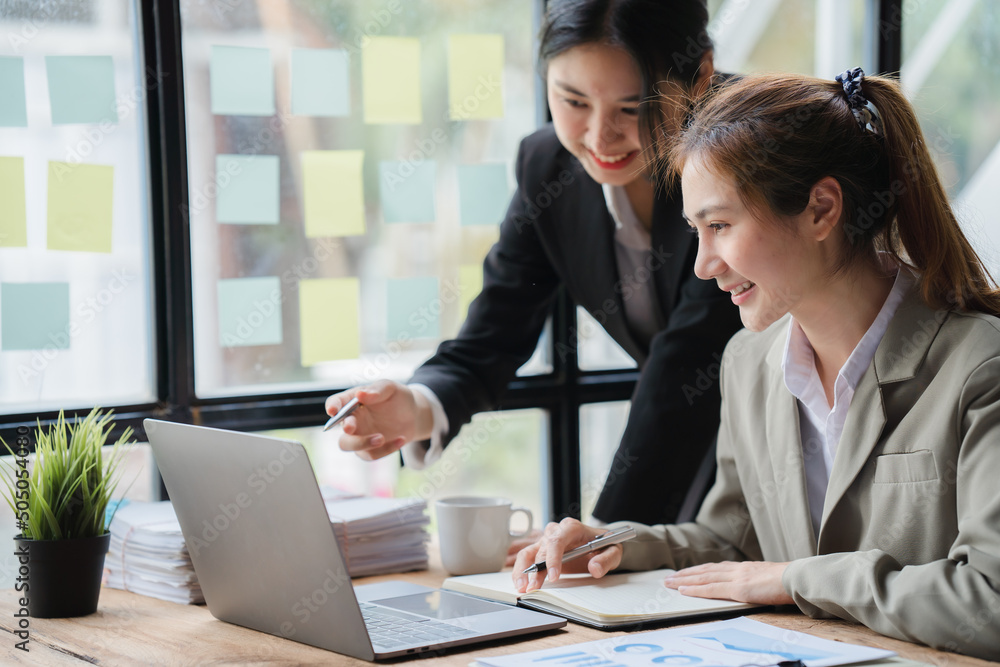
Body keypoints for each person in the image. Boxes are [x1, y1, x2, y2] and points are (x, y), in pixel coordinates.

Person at [512, 68, 1000, 658]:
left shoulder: (979, 367)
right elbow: (734, 541)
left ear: (821, 209)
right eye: (696, 231)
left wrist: (796, 579)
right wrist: (618, 543)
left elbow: (989, 602)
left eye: (719, 226)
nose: (702, 264)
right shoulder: (749, 362)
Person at [326, 0, 743, 529]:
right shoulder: (548, 165)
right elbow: (497, 326)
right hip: (694, 458)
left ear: (700, 75)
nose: (598, 137)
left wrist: (602, 538)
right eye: (572, 100)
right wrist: (416, 404)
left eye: (633, 107)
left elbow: (686, 367)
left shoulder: (749, 151)